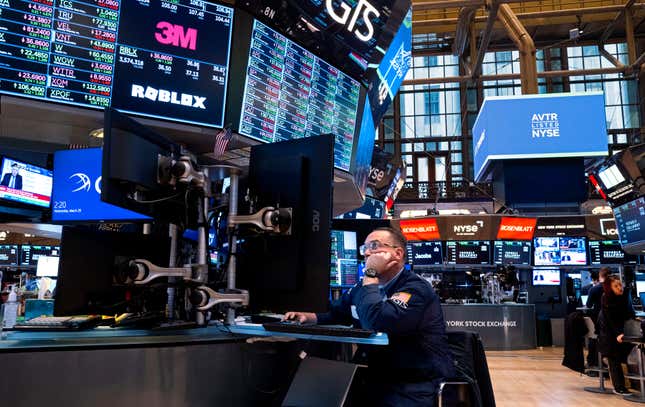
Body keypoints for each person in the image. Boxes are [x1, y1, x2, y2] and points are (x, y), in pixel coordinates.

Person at [285, 227, 454, 406]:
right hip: (375, 377)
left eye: (374, 246)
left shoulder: (416, 289)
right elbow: (338, 312)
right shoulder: (362, 287)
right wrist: (308, 317)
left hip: (414, 384)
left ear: (397, 253)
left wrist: (370, 274)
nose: (366, 253)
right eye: (364, 248)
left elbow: (378, 322)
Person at [597, 274, 636, 396]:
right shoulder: (606, 298)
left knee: (620, 357)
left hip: (619, 331)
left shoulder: (622, 296)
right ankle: (619, 387)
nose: (620, 288)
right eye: (616, 286)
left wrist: (627, 293)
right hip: (609, 333)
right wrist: (618, 333)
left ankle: (626, 384)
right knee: (614, 358)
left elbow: (629, 313)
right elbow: (611, 319)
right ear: (609, 287)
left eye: (620, 285)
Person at [586, 267, 609, 369]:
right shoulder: (619, 288)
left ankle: (593, 363)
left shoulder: (594, 289)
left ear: (600, 277)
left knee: (594, 338)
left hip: (600, 323)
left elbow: (589, 305)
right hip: (616, 328)